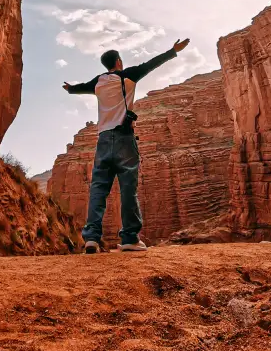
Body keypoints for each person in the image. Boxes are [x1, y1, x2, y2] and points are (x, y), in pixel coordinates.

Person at [63, 38, 190, 253]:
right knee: (128, 189)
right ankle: (130, 238)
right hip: (124, 138)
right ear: (119, 62)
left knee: (98, 189)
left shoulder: (98, 81)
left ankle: (91, 238)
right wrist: (172, 51)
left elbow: (82, 88)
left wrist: (70, 89)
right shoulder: (128, 76)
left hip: (103, 139)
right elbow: (151, 64)